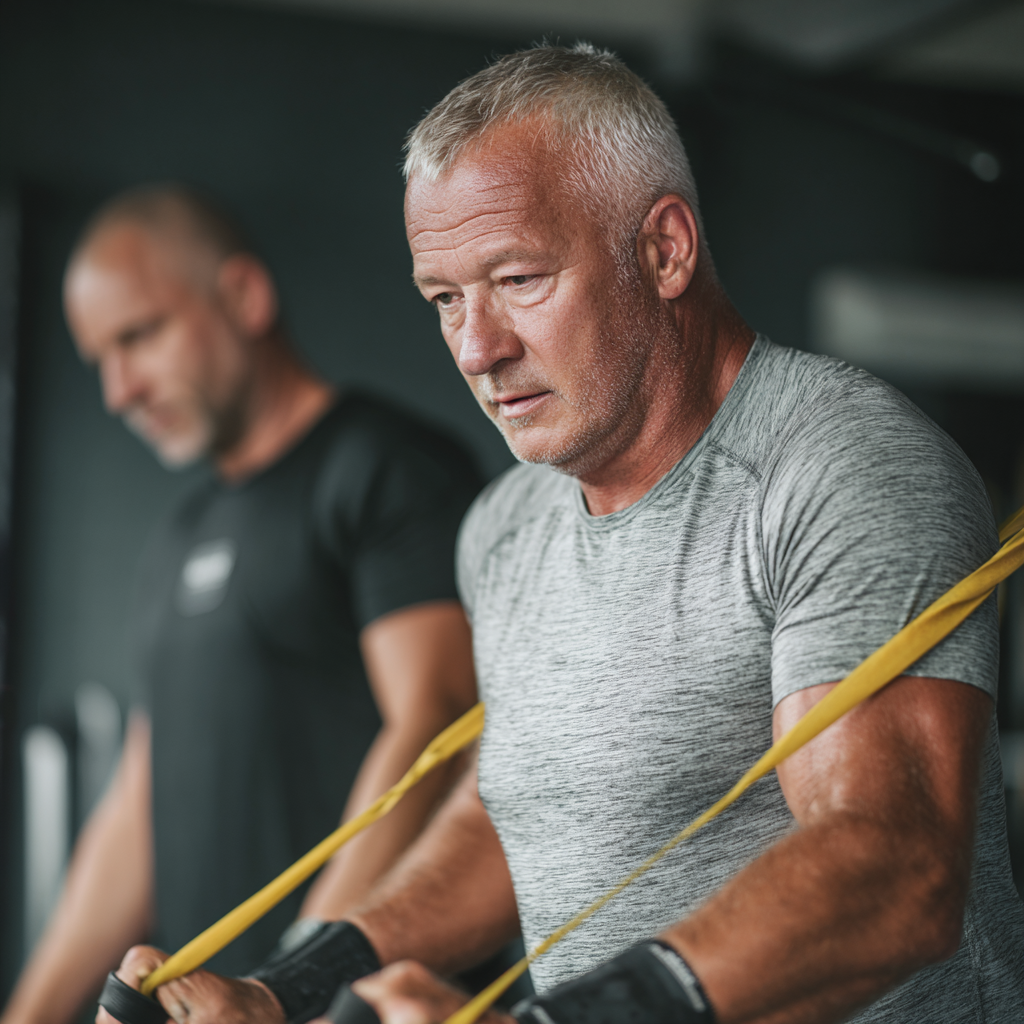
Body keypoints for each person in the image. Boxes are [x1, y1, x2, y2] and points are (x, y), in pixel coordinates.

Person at [103, 44, 1024, 1024]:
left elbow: (891, 867)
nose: (476, 347)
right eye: (445, 298)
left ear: (664, 249)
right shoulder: (505, 528)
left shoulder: (841, 467)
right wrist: (282, 994)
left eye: (519, 278)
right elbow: (521, 816)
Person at [0, 187, 483, 1024]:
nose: (118, 390)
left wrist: (283, 989)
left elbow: (434, 732)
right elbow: (137, 806)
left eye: (139, 336)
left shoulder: (384, 470)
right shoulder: (182, 532)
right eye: (99, 360)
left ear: (244, 297)